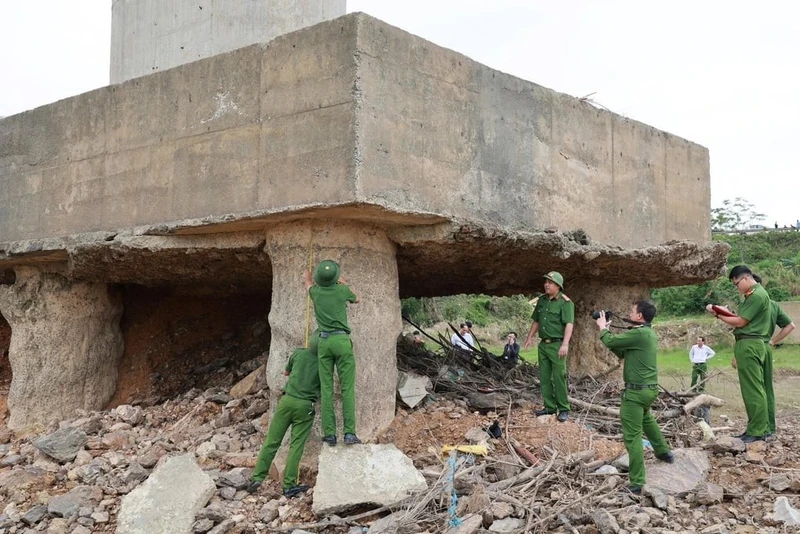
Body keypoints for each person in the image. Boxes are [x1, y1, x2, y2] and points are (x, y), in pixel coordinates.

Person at [595, 300, 673, 494]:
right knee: (647, 419)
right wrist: (608, 332)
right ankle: (663, 452)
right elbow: (621, 351)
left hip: (636, 393)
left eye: (632, 311)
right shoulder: (647, 333)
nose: (629, 313)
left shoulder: (638, 333)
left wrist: (602, 328)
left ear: (639, 316)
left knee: (632, 437)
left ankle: (637, 482)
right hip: (649, 391)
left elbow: (610, 341)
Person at [247, 333, 320, 498]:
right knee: (296, 446)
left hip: (286, 401)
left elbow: (286, 373)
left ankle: (257, 478)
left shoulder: (298, 353)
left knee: (271, 441)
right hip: (305, 406)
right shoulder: (324, 362)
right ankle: (289, 485)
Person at [706, 265, 771, 442]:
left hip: (749, 343)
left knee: (753, 390)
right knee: (754, 389)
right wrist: (725, 313)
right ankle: (757, 428)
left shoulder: (756, 295)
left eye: (737, 284)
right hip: (749, 343)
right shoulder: (753, 295)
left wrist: (718, 314)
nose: (737, 288)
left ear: (745, 278)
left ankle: (757, 431)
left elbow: (741, 322)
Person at [304, 260, 361, 446]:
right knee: (347, 388)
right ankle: (349, 433)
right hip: (341, 341)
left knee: (326, 389)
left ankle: (330, 434)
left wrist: (307, 276)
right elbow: (357, 299)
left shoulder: (315, 292)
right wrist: (344, 283)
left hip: (324, 342)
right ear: (335, 277)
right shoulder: (342, 290)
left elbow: (308, 285)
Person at [523, 271, 574, 422]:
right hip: (543, 345)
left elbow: (569, 324)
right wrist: (530, 337)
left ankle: (563, 408)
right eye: (545, 282)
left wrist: (565, 344)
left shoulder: (565, 302)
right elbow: (537, 321)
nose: (546, 285)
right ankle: (549, 407)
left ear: (558, 286)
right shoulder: (542, 300)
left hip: (557, 344)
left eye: (550, 282)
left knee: (559, 377)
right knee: (544, 377)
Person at [750, 275, 796, 436]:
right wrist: (773, 341)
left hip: (752, 346)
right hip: (766, 347)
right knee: (766, 388)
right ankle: (769, 427)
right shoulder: (773, 305)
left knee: (754, 389)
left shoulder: (751, 304)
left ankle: (758, 428)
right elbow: (790, 326)